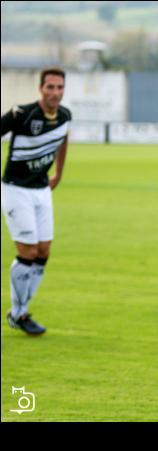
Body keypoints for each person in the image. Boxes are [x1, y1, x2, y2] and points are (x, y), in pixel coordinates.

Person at [1, 67, 71, 335]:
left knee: (43, 252)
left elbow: (63, 140)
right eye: (50, 87)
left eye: (59, 87)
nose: (55, 92)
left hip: (42, 190)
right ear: (40, 88)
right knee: (28, 252)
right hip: (15, 189)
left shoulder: (64, 115)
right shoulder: (21, 114)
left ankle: (21, 311)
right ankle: (18, 313)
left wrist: (60, 173)